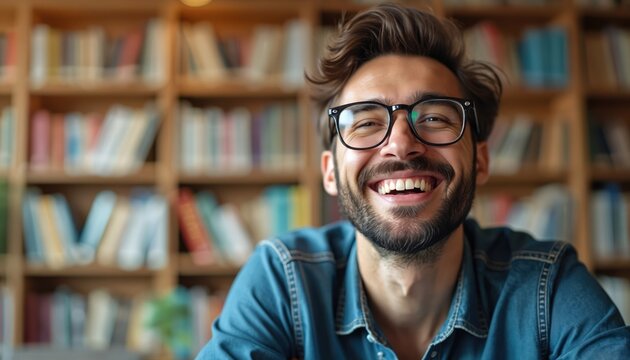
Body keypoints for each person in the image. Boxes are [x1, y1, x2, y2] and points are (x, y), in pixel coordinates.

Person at [197, 3, 629, 359]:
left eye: (436, 117)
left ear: (480, 160)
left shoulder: (546, 286)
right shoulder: (283, 280)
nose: (401, 144)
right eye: (366, 122)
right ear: (330, 171)